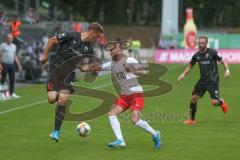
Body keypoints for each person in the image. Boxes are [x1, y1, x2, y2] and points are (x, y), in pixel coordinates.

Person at [81, 40, 161, 149]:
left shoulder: (130, 60)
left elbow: (144, 73)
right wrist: (83, 67)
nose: (111, 53)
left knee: (135, 120)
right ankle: (120, 140)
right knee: (111, 114)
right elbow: (96, 67)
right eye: (110, 51)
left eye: (113, 50)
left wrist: (131, 70)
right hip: (124, 96)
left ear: (119, 50)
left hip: (136, 94)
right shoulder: (112, 64)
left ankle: (155, 134)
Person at [40, 22, 104, 142]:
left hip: (69, 74)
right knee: (51, 99)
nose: (97, 39)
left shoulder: (88, 48)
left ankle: (56, 132)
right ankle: (58, 96)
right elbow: (51, 41)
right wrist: (45, 56)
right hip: (55, 70)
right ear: (92, 32)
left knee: (63, 100)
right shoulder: (71, 35)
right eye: (97, 36)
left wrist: (94, 67)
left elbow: (83, 68)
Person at [177, 36, 230, 124]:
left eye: (203, 43)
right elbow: (190, 66)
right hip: (202, 80)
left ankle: (221, 102)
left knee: (214, 103)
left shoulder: (212, 52)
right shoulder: (196, 56)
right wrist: (183, 74)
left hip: (213, 80)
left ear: (206, 44)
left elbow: (223, 61)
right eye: (200, 43)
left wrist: (227, 70)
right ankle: (192, 120)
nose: (201, 45)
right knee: (193, 98)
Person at [0, 34, 22, 99]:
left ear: (12, 39)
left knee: (12, 79)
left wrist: (19, 65)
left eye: (11, 38)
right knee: (3, 79)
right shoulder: (2, 46)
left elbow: (15, 56)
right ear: (6, 39)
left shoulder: (14, 46)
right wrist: (0, 65)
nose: (9, 39)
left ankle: (11, 93)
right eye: (8, 38)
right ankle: (1, 93)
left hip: (12, 64)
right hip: (4, 64)